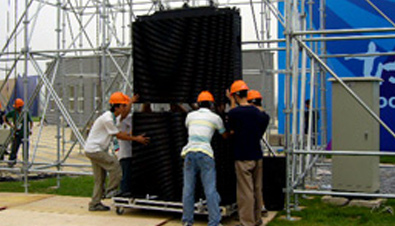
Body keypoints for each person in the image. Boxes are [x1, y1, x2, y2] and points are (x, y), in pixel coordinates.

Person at [84, 92, 150, 211]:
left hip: (93, 149)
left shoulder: (113, 117)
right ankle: (112, 191)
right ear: (117, 107)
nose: (125, 109)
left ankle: (95, 203)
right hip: (95, 150)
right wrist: (136, 138)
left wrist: (130, 102)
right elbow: (118, 135)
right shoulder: (107, 119)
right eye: (123, 106)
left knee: (100, 178)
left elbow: (124, 115)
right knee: (115, 166)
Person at [181, 91, 228, 226]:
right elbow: (224, 135)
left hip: (189, 153)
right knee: (210, 189)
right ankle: (214, 222)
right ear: (211, 104)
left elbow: (189, 127)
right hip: (205, 153)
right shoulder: (215, 118)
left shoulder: (190, 116)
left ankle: (187, 221)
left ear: (198, 103)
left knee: (188, 189)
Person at [227, 81, 270, 226]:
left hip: (242, 156)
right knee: (257, 189)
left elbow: (231, 129)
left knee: (245, 192)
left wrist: (232, 102)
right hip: (257, 155)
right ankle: (257, 219)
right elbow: (263, 117)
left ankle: (247, 222)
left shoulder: (234, 113)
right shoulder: (259, 114)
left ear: (235, 96)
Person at [4, 98, 33, 167]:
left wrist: (30, 130)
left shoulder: (25, 113)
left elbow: (31, 122)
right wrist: (11, 125)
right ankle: (12, 161)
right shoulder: (13, 112)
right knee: (14, 148)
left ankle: (25, 162)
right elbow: (5, 117)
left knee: (25, 149)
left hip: (24, 133)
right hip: (17, 134)